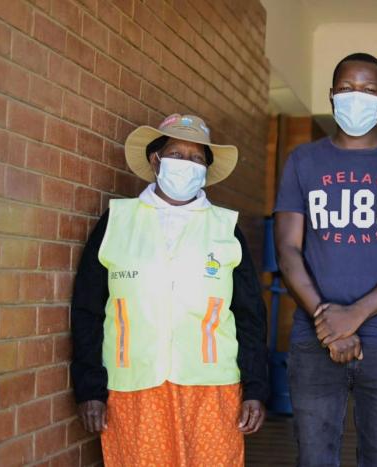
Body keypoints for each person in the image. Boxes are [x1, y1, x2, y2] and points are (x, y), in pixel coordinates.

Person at [70, 113, 269, 466]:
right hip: (134, 387)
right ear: (155, 160)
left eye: (196, 159)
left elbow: (250, 315)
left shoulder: (225, 228)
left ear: (206, 170)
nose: (186, 165)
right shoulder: (118, 221)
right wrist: (89, 388)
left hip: (212, 388)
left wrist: (255, 388)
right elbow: (87, 310)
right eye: (177, 154)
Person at [274, 53, 377, 466]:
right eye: (346, 88)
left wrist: (355, 315)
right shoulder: (303, 161)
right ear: (331, 95)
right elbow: (288, 249)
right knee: (314, 457)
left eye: (367, 90)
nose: (356, 97)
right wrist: (328, 322)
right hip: (315, 338)